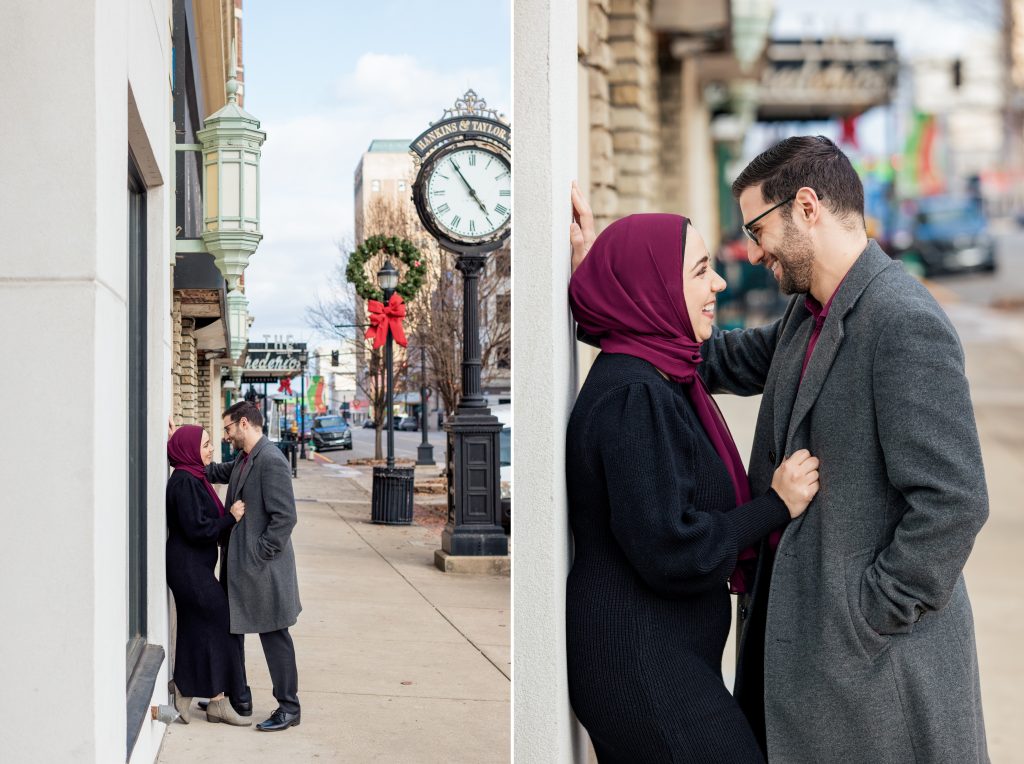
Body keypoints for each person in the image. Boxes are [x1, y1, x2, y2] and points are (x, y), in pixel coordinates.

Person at [570, 136, 989, 762]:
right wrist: (609, 277)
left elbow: (954, 503)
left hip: (876, 665)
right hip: (801, 653)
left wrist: (867, 613)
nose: (751, 249)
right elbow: (692, 348)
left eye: (757, 228)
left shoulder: (903, 322)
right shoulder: (807, 314)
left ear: (807, 206)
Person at [565, 212, 820, 763]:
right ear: (653, 290)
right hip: (640, 667)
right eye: (701, 270)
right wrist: (775, 505)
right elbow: (671, 548)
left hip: (665, 656)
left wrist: (597, 276)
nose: (720, 283)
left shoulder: (659, 369)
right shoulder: (634, 395)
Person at [206, 400, 303, 732]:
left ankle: (289, 707)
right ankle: (239, 696)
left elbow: (285, 517)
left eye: (229, 429)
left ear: (244, 423)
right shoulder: (246, 458)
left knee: (274, 635)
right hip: (242, 569)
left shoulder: (271, 460)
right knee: (232, 629)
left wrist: (259, 553)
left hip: (264, 570)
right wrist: (188, 457)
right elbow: (221, 472)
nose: (227, 435)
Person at [165, 425, 251, 726]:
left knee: (195, 627)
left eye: (211, 442)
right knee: (220, 621)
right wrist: (231, 518)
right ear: (189, 450)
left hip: (194, 566)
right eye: (205, 444)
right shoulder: (185, 481)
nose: (211, 448)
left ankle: (190, 693)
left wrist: (175, 434)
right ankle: (216, 700)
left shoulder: (192, 476)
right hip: (188, 567)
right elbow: (197, 528)